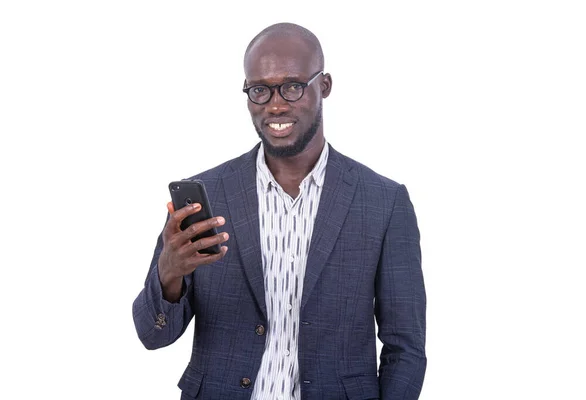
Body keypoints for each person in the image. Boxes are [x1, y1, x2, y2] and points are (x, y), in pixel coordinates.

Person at [133, 22, 426, 400]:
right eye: (259, 90)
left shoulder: (383, 202)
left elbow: (406, 348)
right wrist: (168, 274)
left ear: (324, 86)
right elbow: (153, 335)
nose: (274, 104)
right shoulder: (207, 196)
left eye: (292, 86)